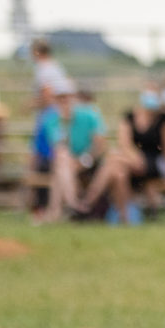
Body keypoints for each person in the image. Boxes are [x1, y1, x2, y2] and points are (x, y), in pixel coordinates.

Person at [79, 84, 165, 224]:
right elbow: (124, 144)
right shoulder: (129, 117)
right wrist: (135, 158)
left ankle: (87, 202)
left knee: (113, 159)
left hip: (154, 163)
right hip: (131, 161)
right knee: (119, 173)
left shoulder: (164, 120)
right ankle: (125, 217)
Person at [37, 79, 108, 224]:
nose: (64, 101)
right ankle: (73, 204)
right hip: (67, 163)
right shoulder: (52, 121)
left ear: (74, 97)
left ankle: (57, 211)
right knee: (62, 162)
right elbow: (59, 148)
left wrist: (84, 160)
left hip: (91, 161)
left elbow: (100, 145)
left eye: (67, 97)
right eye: (60, 98)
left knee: (61, 168)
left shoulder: (89, 115)